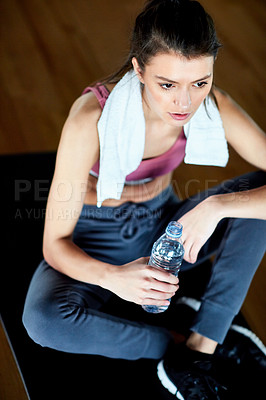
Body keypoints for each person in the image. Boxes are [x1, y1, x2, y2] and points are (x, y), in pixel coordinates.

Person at [22, 0, 266, 398]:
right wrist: (114, 278)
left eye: (199, 83)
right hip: (93, 238)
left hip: (166, 228)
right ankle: (175, 347)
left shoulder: (213, 105)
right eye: (167, 85)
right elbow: (54, 244)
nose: (184, 103)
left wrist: (218, 206)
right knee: (44, 321)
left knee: (254, 198)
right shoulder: (89, 119)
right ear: (138, 69)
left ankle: (206, 342)